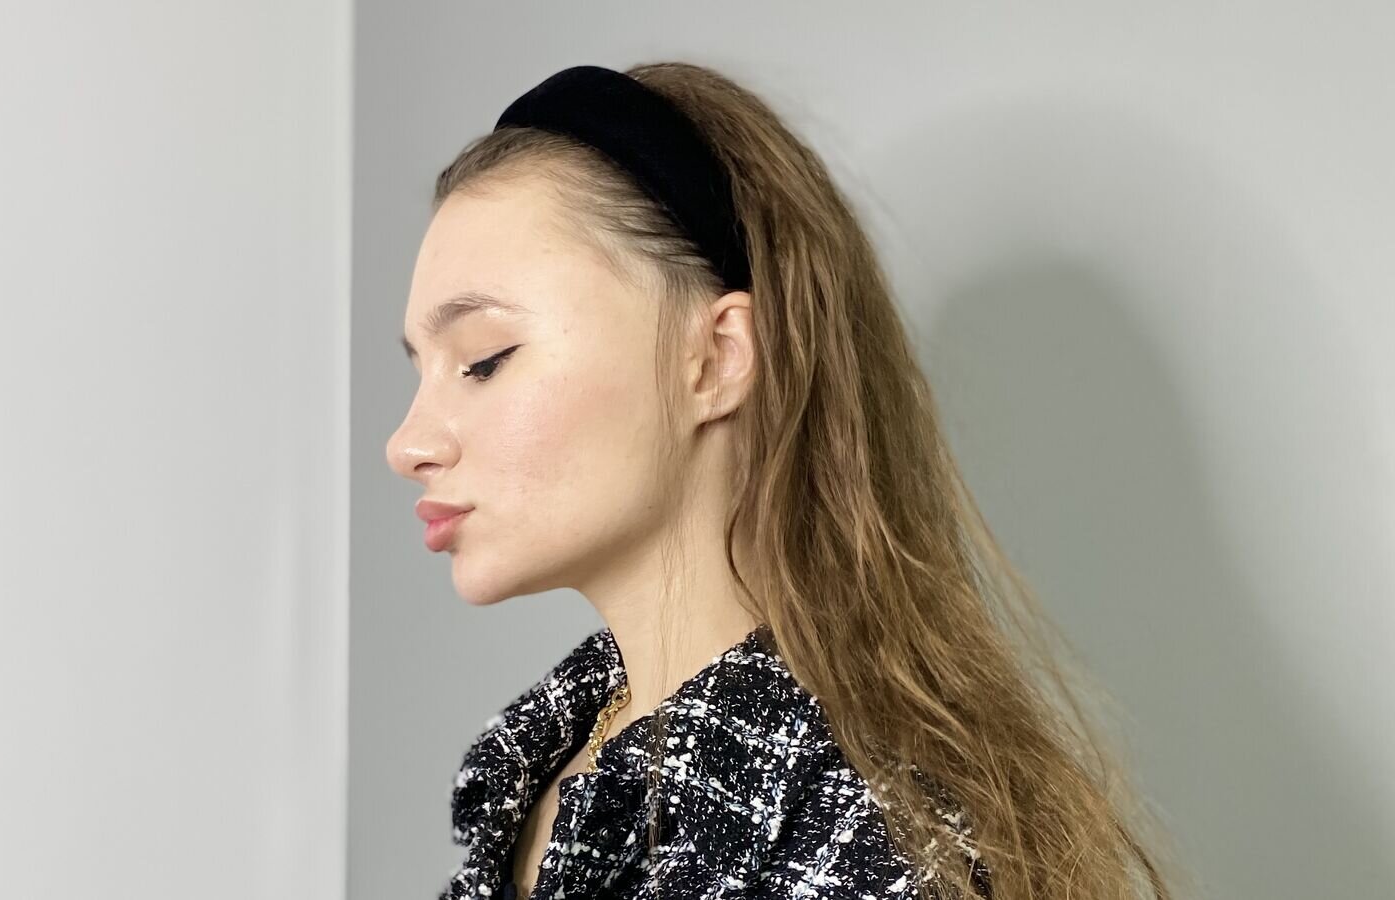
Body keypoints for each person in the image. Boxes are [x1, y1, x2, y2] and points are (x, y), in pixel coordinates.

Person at [387, 62, 1181, 900]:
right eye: (421, 372)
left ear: (717, 358)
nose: (407, 444)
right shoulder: (543, 771)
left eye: (482, 359)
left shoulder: (869, 848)